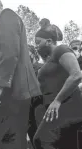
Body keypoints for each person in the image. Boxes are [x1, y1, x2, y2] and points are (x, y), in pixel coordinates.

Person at [0, 0, 41, 148]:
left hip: (12, 92)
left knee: (9, 140)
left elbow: (9, 52)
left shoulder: (6, 16)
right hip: (7, 94)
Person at [33, 19, 82, 149]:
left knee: (42, 140)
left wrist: (57, 100)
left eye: (38, 42)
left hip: (68, 105)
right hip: (56, 109)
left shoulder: (61, 49)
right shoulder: (49, 60)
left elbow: (76, 75)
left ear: (49, 41)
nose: (36, 46)